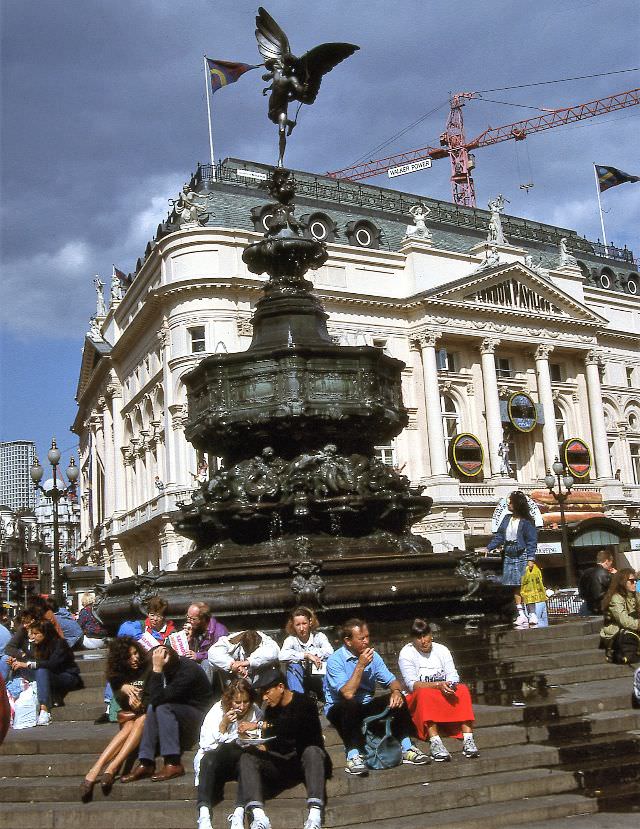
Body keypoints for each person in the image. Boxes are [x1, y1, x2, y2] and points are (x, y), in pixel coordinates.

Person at [323, 618, 428, 776]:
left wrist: (396, 692)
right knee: (349, 704)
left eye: (367, 636)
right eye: (361, 638)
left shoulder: (374, 656)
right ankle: (353, 755)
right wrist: (360, 665)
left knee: (400, 699)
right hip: (340, 708)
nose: (366, 641)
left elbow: (392, 681)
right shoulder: (335, 661)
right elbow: (347, 693)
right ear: (348, 641)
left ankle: (407, 747)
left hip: (364, 705)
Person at [236, 667, 331, 829]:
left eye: (267, 692)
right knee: (247, 757)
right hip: (281, 763)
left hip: (304, 761)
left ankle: (314, 816)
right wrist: (261, 744)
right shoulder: (271, 710)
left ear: (280, 687)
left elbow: (293, 728)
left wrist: (259, 725)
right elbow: (271, 736)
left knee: (312, 751)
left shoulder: (305, 703)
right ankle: (259, 817)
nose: (265, 698)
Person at [121, 644, 213, 783]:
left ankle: (173, 763)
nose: (154, 667)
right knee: (155, 706)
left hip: (200, 717)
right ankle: (146, 762)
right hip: (178, 711)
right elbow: (152, 697)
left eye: (156, 663)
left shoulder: (188, 671)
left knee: (162, 706)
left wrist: (157, 670)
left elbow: (159, 698)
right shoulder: (168, 669)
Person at [80, 637, 150, 802]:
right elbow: (121, 701)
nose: (135, 658)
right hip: (129, 715)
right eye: (129, 656)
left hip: (146, 714)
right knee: (129, 726)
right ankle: (96, 769)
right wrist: (124, 690)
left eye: (135, 653)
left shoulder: (147, 668)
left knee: (141, 719)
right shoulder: (116, 675)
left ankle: (111, 768)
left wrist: (141, 701)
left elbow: (153, 695)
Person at [398, 619, 478, 762]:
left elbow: (453, 674)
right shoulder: (406, 653)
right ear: (413, 639)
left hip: (441, 692)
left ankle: (468, 738)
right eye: (418, 637)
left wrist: (450, 684)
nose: (423, 641)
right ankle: (435, 741)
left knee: (463, 689)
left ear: (431, 635)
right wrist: (438, 685)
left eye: (425, 635)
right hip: (417, 698)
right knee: (424, 694)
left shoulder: (442, 649)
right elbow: (412, 685)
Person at [194, 677, 262, 829]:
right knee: (208, 759)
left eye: (246, 701)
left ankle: (238, 812)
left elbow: (260, 737)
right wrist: (224, 725)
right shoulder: (217, 711)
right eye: (238, 702)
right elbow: (206, 745)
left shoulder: (255, 711)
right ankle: (204, 814)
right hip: (217, 760)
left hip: (240, 760)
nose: (242, 706)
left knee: (247, 761)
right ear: (230, 700)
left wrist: (251, 732)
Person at [6, 620, 83, 725]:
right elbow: (31, 661)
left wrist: (26, 664)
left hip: (66, 676)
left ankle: (44, 710)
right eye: (31, 633)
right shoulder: (35, 645)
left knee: (41, 670)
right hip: (48, 674)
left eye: (36, 634)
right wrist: (16, 662)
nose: (32, 637)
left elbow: (49, 664)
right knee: (21, 668)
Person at [487, 490, 538, 628]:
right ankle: (521, 615)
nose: (508, 504)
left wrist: (531, 558)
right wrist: (489, 547)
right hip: (509, 554)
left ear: (517, 504)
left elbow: (532, 541)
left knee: (526, 585)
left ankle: (532, 613)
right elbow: (499, 536)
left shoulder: (527, 521)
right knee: (515, 586)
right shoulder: (506, 519)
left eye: (510, 502)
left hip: (522, 553)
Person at [279, 607, 333, 701]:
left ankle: (328, 698)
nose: (301, 628)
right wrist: (306, 655)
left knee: (327, 663)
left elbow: (330, 651)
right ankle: (299, 700)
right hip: (300, 673)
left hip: (318, 672)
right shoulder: (291, 640)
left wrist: (314, 655)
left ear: (310, 622)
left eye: (304, 624)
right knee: (292, 666)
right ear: (293, 625)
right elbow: (282, 655)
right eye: (298, 625)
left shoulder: (319, 636)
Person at [207, 629, 279, 685]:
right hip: (236, 682)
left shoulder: (265, 640)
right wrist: (233, 665)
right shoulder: (232, 640)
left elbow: (274, 652)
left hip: (262, 681)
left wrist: (247, 662)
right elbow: (213, 652)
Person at [600, 568, 640, 662]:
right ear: (623, 582)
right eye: (631, 581)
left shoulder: (636, 595)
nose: (635, 583)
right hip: (616, 632)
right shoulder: (616, 598)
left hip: (631, 629)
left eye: (636, 580)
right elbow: (624, 620)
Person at [184, 602, 228, 683]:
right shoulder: (193, 628)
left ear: (203, 619)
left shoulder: (219, 631)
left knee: (206, 663)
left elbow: (218, 654)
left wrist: (198, 655)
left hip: (213, 662)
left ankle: (205, 693)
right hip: (195, 662)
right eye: (188, 617)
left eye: (193, 619)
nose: (189, 621)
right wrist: (188, 639)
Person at [579, 550, 617, 615]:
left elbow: (581, 592)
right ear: (607, 561)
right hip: (603, 608)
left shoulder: (586, 572)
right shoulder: (606, 574)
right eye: (611, 563)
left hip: (587, 606)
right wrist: (616, 575)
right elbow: (615, 589)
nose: (611, 565)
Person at [520, 560, 549, 628]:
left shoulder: (529, 570)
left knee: (538, 618)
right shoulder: (536, 570)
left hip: (535, 599)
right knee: (543, 618)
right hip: (540, 597)